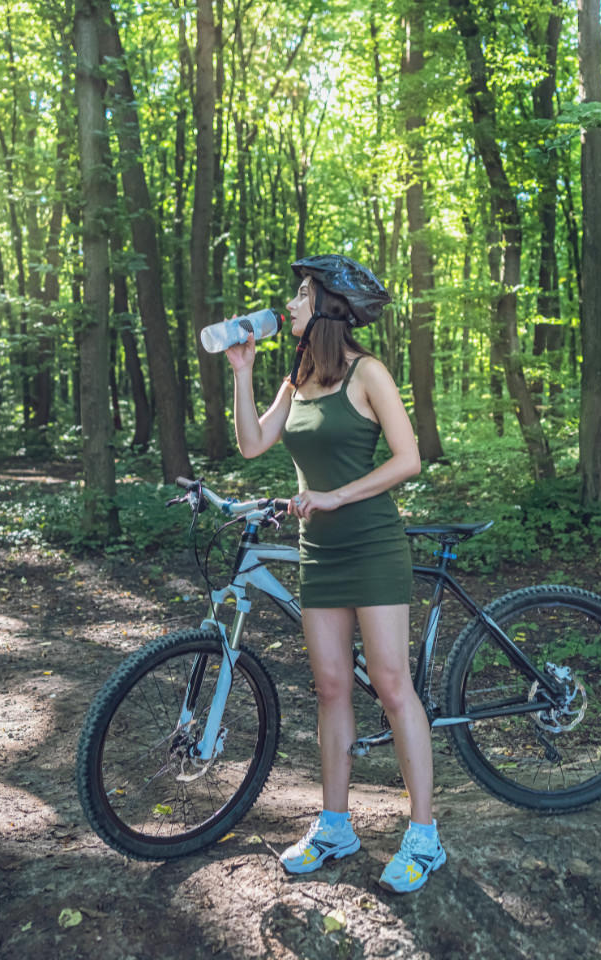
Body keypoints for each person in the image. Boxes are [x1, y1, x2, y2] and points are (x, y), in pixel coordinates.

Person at [224, 254, 443, 894]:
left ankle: (424, 837)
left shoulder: (367, 372)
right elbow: (251, 444)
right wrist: (243, 373)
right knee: (329, 688)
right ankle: (335, 825)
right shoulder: (297, 377)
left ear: (327, 307)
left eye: (301, 293)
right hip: (317, 550)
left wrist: (338, 496)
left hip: (372, 545)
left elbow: (410, 460)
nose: (289, 303)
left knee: (391, 683)